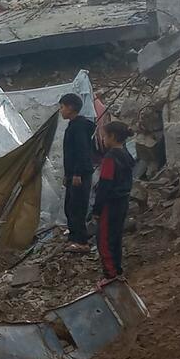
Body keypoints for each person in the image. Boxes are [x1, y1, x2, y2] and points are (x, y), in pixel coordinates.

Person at [93, 121, 136, 284]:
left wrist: (97, 210)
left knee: (104, 239)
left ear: (112, 137)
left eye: (104, 136)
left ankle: (110, 275)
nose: (102, 139)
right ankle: (117, 270)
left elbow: (105, 184)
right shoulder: (126, 155)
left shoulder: (110, 158)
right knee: (116, 237)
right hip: (122, 201)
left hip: (109, 204)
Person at [59, 93, 96, 251]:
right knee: (70, 206)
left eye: (62, 107)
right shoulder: (74, 125)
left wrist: (77, 174)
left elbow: (82, 151)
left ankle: (81, 242)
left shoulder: (79, 127)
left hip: (79, 174)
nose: (60, 111)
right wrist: (68, 175)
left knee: (77, 207)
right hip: (73, 174)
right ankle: (74, 237)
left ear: (71, 108)